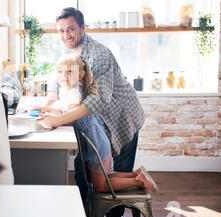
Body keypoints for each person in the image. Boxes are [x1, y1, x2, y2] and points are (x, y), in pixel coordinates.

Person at [38, 7, 147, 217]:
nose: (66, 35)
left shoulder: (99, 55)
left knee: (114, 177)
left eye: (71, 29)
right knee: (82, 171)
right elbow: (58, 87)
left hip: (122, 119)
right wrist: (45, 107)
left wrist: (56, 121)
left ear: (83, 29)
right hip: (98, 123)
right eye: (61, 31)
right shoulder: (69, 56)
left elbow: (97, 101)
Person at [34, 53, 158, 195]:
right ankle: (135, 175)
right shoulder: (67, 90)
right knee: (105, 177)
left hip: (97, 144)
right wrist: (45, 109)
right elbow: (64, 110)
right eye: (60, 71)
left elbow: (72, 117)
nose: (64, 75)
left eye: (69, 71)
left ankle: (139, 181)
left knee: (101, 185)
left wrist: (54, 122)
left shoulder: (75, 92)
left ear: (80, 75)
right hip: (95, 141)